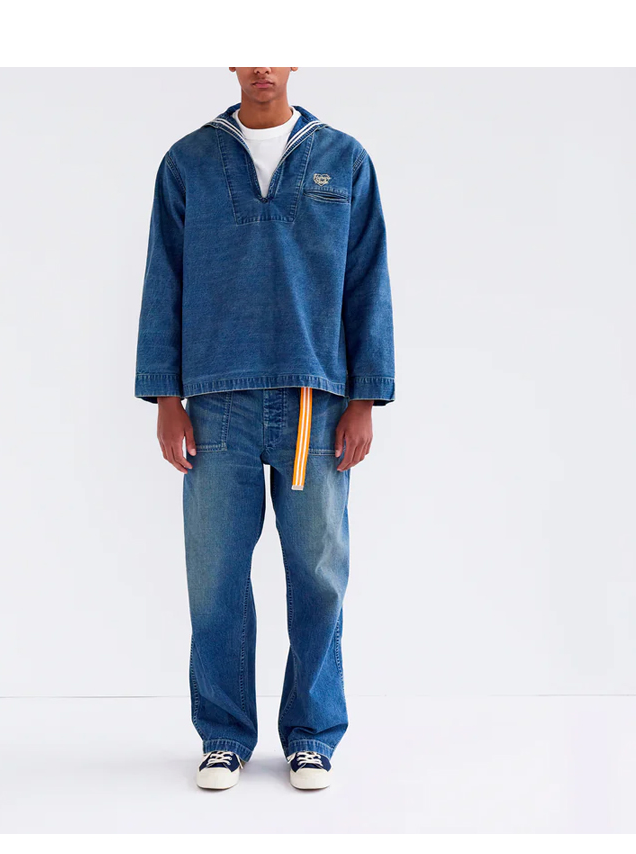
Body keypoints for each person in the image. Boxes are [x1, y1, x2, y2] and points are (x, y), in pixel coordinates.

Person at [134, 67, 395, 790]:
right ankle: (223, 735)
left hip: (316, 402)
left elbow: (368, 278)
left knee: (319, 576)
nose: (261, 65)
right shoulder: (189, 161)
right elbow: (164, 276)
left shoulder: (343, 159)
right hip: (216, 402)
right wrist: (165, 396)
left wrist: (365, 398)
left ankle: (311, 735)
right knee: (215, 577)